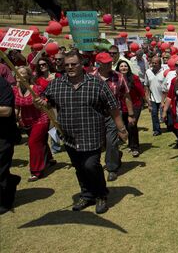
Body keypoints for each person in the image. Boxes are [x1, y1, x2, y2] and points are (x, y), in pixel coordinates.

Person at [37, 50, 128, 214]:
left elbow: (113, 107)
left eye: (74, 64)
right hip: (69, 136)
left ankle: (101, 195)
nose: (70, 67)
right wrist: (40, 102)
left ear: (82, 65)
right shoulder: (56, 84)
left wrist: (121, 128)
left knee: (91, 165)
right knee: (79, 167)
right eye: (67, 65)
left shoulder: (96, 83)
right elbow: (46, 101)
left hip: (91, 134)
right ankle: (87, 195)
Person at [94, 52, 136, 182]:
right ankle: (116, 155)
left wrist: (130, 114)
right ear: (99, 64)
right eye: (106, 63)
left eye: (110, 62)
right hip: (95, 115)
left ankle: (112, 169)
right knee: (102, 143)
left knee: (112, 141)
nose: (109, 65)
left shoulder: (119, 77)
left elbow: (127, 96)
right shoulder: (90, 78)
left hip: (113, 115)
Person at [13, 66, 54, 181]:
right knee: (40, 141)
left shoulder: (36, 89)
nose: (18, 74)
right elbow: (16, 107)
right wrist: (14, 120)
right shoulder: (15, 90)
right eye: (16, 72)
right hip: (26, 122)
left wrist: (38, 102)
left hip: (41, 119)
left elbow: (43, 105)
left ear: (28, 76)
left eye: (21, 72)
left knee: (33, 143)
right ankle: (49, 159)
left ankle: (36, 171)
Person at [117, 60, 149, 157]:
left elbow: (141, 92)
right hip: (122, 107)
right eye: (121, 66)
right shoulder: (115, 79)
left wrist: (148, 103)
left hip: (135, 105)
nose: (123, 68)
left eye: (125, 66)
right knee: (127, 126)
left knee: (132, 125)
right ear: (118, 68)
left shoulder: (134, 78)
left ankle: (135, 148)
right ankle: (131, 145)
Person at [0, 73, 21, 214]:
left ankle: (5, 202)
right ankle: (11, 180)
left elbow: (6, 111)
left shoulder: (2, 85)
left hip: (3, 135)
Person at [145, 56, 166, 136]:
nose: (153, 64)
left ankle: (170, 126)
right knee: (154, 114)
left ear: (160, 64)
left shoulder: (164, 72)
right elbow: (146, 85)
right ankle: (157, 130)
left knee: (166, 115)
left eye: (155, 63)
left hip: (163, 98)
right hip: (153, 97)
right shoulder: (148, 72)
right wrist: (147, 99)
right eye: (152, 63)